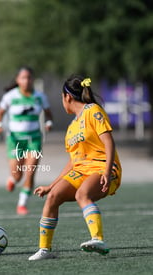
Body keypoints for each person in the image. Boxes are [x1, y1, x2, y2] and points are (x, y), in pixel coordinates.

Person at [28, 75, 122, 260]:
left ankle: (98, 239)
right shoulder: (71, 128)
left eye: (62, 97)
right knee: (53, 197)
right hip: (81, 171)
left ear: (67, 97)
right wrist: (51, 186)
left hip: (103, 168)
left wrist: (106, 170)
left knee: (82, 194)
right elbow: (73, 163)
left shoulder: (93, 111)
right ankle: (44, 250)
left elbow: (109, 142)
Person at [0, 66, 53, 215]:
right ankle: (12, 180)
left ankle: (22, 204)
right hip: (15, 140)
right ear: (17, 80)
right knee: (17, 174)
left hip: (34, 139)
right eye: (23, 77)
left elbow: (49, 114)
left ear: (33, 79)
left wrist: (49, 123)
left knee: (30, 172)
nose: (26, 80)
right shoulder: (10, 96)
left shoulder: (40, 97)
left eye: (29, 77)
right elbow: (0, 113)